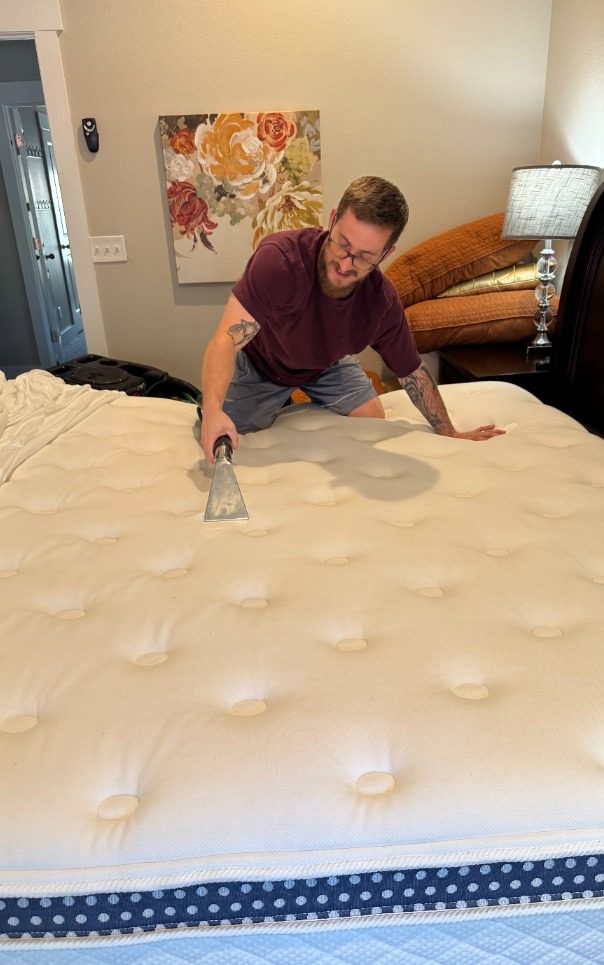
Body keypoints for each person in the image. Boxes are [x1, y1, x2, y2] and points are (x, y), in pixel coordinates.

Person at [199, 176, 504, 462]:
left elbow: (412, 373)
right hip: (261, 366)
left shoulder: (380, 301)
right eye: (343, 244)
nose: (345, 264)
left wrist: (449, 432)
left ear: (386, 253)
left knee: (372, 417)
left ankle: (295, 406)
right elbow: (226, 340)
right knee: (226, 432)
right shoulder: (279, 260)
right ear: (332, 220)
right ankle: (275, 403)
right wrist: (213, 412)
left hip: (325, 364)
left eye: (364, 257)